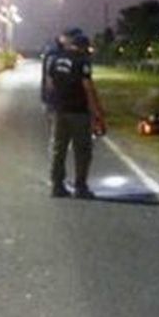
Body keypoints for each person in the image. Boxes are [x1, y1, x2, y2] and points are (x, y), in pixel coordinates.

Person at [46, 27, 106, 198]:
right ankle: (80, 187)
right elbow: (88, 88)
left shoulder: (55, 60)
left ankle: (57, 185)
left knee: (58, 148)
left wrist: (53, 104)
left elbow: (50, 84)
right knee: (82, 150)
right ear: (82, 47)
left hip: (59, 110)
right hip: (78, 111)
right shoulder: (82, 61)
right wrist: (98, 113)